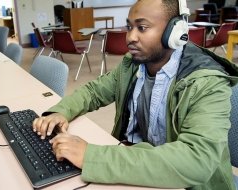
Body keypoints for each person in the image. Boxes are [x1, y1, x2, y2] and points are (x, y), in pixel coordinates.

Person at [33, 0, 238, 189]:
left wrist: (91, 157)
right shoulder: (133, 64)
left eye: (142, 27)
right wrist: (61, 111)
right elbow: (94, 92)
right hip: (140, 170)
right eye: (129, 27)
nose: (130, 37)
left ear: (175, 31)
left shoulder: (207, 82)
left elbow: (197, 160)